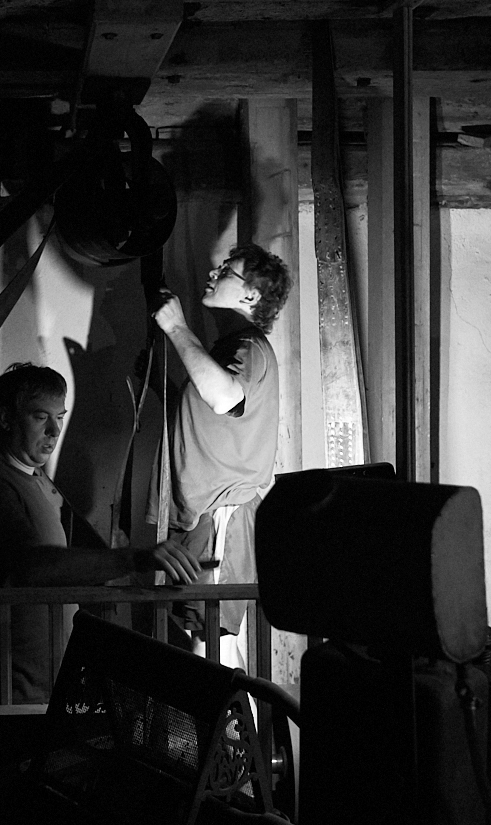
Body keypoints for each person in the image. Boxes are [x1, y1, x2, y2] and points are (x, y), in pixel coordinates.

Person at [0, 362, 202, 705]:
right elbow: (35, 566)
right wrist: (133, 559)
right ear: (5, 418)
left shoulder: (33, 483)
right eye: (40, 417)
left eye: (59, 417)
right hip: (2, 694)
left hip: (35, 688)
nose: (54, 430)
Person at [148, 243, 292, 665]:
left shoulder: (249, 347)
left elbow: (225, 398)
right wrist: (164, 389)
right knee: (210, 641)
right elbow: (214, 421)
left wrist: (177, 328)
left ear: (251, 295)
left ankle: (229, 713)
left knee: (211, 644)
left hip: (219, 519)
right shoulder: (228, 349)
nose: (213, 273)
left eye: (227, 271)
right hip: (202, 518)